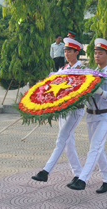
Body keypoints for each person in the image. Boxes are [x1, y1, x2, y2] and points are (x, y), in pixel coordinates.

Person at [69, 38, 107, 193]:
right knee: (97, 149)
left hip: (106, 116)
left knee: (94, 148)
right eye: (95, 53)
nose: (97, 56)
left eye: (100, 53)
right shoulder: (91, 74)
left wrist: (102, 93)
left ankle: (82, 180)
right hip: (91, 115)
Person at [32, 38, 85, 185]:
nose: (67, 54)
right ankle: (78, 173)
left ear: (77, 52)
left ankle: (45, 171)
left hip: (75, 111)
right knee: (68, 143)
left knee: (61, 139)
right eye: (65, 51)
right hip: (62, 111)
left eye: (70, 51)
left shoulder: (82, 70)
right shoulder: (62, 69)